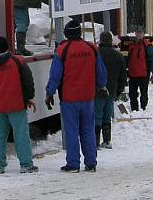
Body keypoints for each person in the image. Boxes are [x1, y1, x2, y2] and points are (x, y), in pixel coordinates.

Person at [45, 19, 108, 173]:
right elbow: (101, 74)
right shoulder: (91, 48)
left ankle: (73, 163)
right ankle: (91, 162)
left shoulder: (62, 50)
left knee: (71, 131)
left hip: (69, 99)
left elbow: (55, 75)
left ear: (67, 34)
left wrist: (50, 92)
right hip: (88, 98)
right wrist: (101, 85)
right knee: (88, 129)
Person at [0, 37, 38, 174]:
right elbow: (28, 81)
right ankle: (26, 164)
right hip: (16, 106)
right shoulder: (17, 61)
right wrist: (29, 97)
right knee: (21, 135)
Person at [95, 31, 127, 149]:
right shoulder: (118, 55)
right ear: (111, 41)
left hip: (97, 91)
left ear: (101, 40)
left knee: (97, 116)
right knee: (107, 116)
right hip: (111, 91)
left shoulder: (96, 54)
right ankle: (107, 141)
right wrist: (118, 91)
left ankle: (95, 142)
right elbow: (123, 76)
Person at [125, 28, 153, 111]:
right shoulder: (132, 45)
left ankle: (144, 109)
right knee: (132, 95)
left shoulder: (147, 45)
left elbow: (152, 59)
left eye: (140, 32)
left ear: (143, 34)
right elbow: (128, 59)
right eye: (137, 32)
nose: (138, 34)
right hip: (132, 74)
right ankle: (134, 110)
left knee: (144, 94)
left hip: (144, 74)